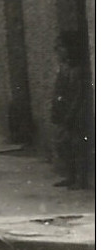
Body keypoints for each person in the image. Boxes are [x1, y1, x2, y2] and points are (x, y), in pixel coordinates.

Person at [51, 31, 91, 189]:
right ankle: (70, 175)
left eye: (61, 47)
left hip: (76, 113)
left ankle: (81, 179)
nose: (58, 51)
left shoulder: (78, 70)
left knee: (77, 146)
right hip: (65, 111)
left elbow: (78, 95)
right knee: (64, 145)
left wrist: (69, 115)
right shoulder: (64, 67)